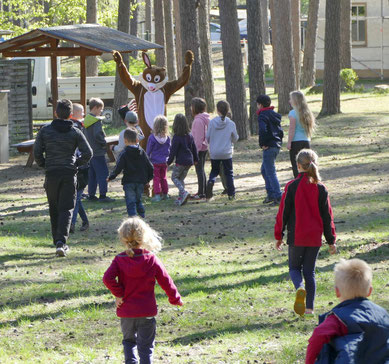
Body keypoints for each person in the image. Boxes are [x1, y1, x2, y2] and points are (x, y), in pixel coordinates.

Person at [103, 217, 183, 364]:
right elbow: (166, 280)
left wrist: (119, 294)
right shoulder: (151, 258)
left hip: (126, 311)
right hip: (146, 311)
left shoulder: (119, 259)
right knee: (146, 346)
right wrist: (175, 298)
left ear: (122, 237)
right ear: (144, 236)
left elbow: (107, 278)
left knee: (129, 341)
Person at [274, 149, 336, 316]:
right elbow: (327, 216)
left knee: (294, 268)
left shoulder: (292, 186)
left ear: (298, 165)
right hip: (314, 238)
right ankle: (309, 309)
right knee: (310, 272)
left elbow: (283, 212)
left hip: (297, 236)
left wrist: (278, 235)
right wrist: (331, 240)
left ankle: (299, 288)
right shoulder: (321, 188)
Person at [34, 99, 92, 257]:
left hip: (52, 173)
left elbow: (37, 152)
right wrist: (76, 164)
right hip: (68, 173)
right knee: (66, 208)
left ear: (55, 113)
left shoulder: (45, 131)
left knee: (54, 207)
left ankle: (57, 241)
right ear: (71, 115)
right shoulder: (75, 131)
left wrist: (45, 164)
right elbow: (88, 153)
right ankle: (61, 242)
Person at [306, 258, 389, 364]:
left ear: (337, 292)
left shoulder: (337, 318)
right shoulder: (383, 315)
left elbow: (318, 335)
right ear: (370, 291)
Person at [107, 128, 153, 218]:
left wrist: (111, 176)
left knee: (130, 201)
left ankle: (133, 218)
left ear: (125, 141)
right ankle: (142, 216)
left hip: (128, 182)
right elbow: (150, 166)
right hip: (140, 182)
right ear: (137, 140)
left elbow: (118, 167)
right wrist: (147, 179)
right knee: (138, 200)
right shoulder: (142, 152)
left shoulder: (124, 153)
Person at [205, 100, 239, 201]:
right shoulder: (231, 123)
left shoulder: (212, 122)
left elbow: (207, 137)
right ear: (227, 110)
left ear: (217, 110)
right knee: (229, 173)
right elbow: (235, 138)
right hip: (226, 152)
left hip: (215, 152)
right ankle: (231, 193)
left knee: (214, 171)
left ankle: (211, 182)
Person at [83, 97, 114, 202]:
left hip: (90, 152)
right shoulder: (96, 121)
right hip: (98, 152)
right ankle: (103, 195)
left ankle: (91, 195)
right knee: (103, 174)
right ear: (96, 108)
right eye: (101, 109)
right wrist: (104, 143)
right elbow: (98, 134)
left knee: (92, 175)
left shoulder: (86, 121)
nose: (101, 111)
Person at [257, 94, 284, 206]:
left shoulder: (262, 115)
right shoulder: (274, 115)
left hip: (269, 146)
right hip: (276, 145)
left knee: (270, 171)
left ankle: (278, 196)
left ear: (260, 105)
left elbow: (263, 130)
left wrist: (263, 143)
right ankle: (271, 193)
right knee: (264, 170)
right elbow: (280, 131)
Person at [167, 114, 198, 206]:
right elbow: (194, 148)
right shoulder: (190, 135)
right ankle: (181, 198)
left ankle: (183, 192)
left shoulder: (177, 137)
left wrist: (168, 162)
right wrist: (196, 159)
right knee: (181, 179)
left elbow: (173, 151)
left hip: (181, 162)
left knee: (174, 177)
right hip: (189, 161)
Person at [69, 103, 89, 233]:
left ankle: (72, 224)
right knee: (76, 197)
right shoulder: (74, 128)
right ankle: (84, 221)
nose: (83, 114)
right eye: (81, 112)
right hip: (76, 165)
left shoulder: (81, 127)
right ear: (74, 113)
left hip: (81, 165)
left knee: (76, 198)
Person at [287, 91, 315, 178]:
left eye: (291, 99)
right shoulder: (307, 112)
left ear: (295, 101)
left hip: (296, 141)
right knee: (307, 163)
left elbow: (292, 129)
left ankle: (298, 181)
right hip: (306, 141)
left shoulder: (293, 113)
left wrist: (289, 142)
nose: (289, 101)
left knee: (296, 165)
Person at [146, 115, 171, 202]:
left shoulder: (152, 138)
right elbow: (169, 149)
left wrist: (147, 158)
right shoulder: (167, 138)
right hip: (164, 161)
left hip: (155, 162)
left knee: (156, 178)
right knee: (163, 177)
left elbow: (148, 150)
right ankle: (165, 194)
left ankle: (157, 195)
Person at [190, 97, 210, 199]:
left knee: (199, 171)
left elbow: (198, 138)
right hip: (203, 147)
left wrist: (195, 152)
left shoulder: (198, 120)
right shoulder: (204, 118)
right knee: (201, 170)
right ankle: (203, 190)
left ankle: (201, 192)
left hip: (199, 148)